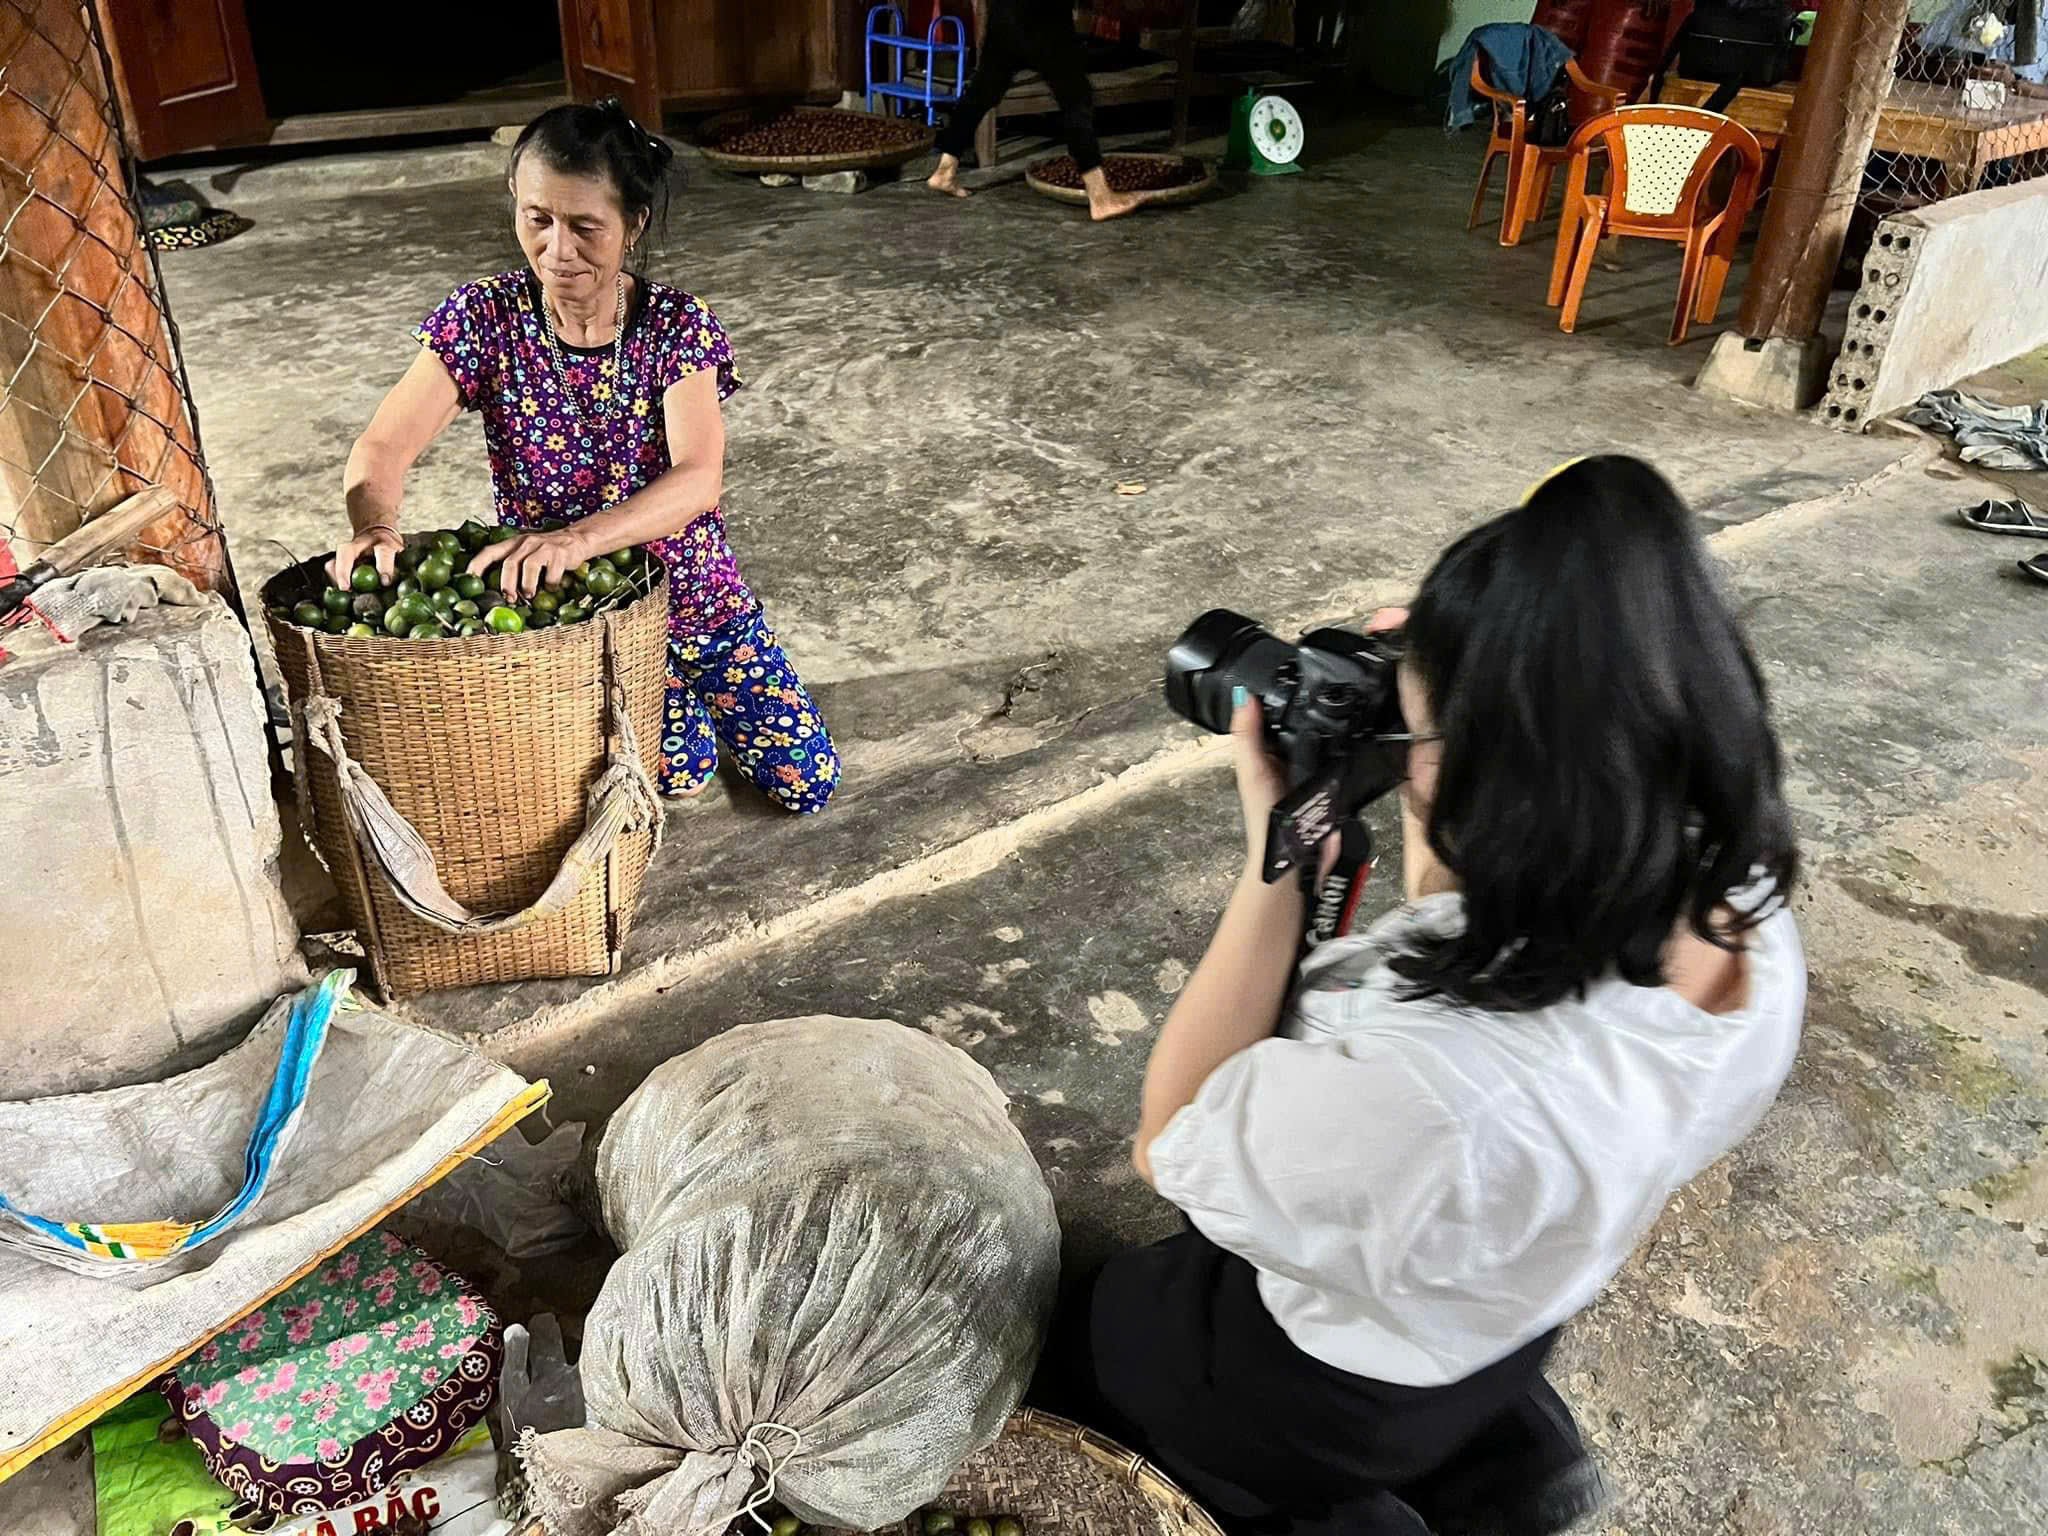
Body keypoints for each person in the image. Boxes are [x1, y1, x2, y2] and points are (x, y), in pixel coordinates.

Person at [1040, 456, 1807, 1534]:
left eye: (1415, 736)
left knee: (1104, 1320)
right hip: (1504, 1315)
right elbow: (1458, 904)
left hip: (1322, 1390)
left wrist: (1279, 854)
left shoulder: (1434, 1088)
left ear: (1490, 780)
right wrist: (1460, 691)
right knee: (1432, 1353)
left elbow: (1169, 1139)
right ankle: (1502, 1471)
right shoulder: (1741, 917)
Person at [329, 99, 839, 815]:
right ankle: (669, 700)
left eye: (585, 227)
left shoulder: (676, 327)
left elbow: (699, 476)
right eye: (537, 219)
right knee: (672, 776)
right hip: (572, 616)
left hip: (689, 594)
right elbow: (384, 444)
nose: (557, 251)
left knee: (806, 784)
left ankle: (684, 677)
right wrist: (375, 521)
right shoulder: (483, 319)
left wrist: (579, 538)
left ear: (633, 226)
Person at [926, 0, 1140, 220]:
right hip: (1043, 20)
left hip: (1005, 17)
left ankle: (945, 169)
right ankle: (1100, 195)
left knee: (982, 92)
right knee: (1076, 97)